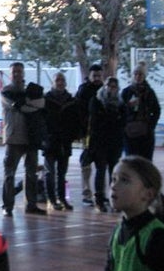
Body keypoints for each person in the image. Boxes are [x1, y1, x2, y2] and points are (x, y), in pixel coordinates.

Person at [0, 63, 47, 216]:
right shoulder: (5, 92)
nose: (17, 74)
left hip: (31, 138)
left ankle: (31, 205)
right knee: (9, 174)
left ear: (24, 73)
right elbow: (20, 107)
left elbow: (40, 105)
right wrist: (29, 104)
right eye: (14, 71)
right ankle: (8, 206)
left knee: (31, 173)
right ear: (10, 73)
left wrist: (25, 103)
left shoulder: (29, 90)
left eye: (19, 71)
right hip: (14, 138)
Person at [87, 77, 126, 213]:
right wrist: (113, 118)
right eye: (109, 86)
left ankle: (114, 199)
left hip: (115, 143)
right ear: (105, 86)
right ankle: (99, 199)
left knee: (114, 173)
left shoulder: (121, 103)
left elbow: (123, 121)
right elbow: (97, 121)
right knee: (100, 170)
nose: (111, 88)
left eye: (114, 86)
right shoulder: (96, 101)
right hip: (100, 142)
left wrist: (113, 119)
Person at [43, 71, 79, 211]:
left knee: (62, 172)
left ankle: (62, 198)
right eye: (57, 80)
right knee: (49, 172)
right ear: (53, 82)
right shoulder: (46, 99)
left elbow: (75, 120)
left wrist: (73, 135)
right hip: (50, 140)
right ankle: (51, 199)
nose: (60, 82)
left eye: (62, 80)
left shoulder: (71, 101)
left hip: (65, 141)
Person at [75, 64, 105, 205]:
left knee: (101, 165)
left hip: (102, 135)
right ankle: (86, 194)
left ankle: (101, 193)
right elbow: (78, 113)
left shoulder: (105, 90)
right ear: (90, 76)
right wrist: (81, 131)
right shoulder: (84, 91)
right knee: (86, 163)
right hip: (87, 134)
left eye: (99, 75)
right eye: (95, 76)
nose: (97, 78)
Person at [120, 67, 160, 160]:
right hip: (130, 132)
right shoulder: (126, 92)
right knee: (131, 161)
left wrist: (151, 125)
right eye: (135, 74)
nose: (138, 77)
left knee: (146, 161)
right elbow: (120, 110)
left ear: (144, 76)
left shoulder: (149, 92)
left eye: (140, 74)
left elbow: (156, 110)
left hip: (146, 133)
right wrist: (129, 105)